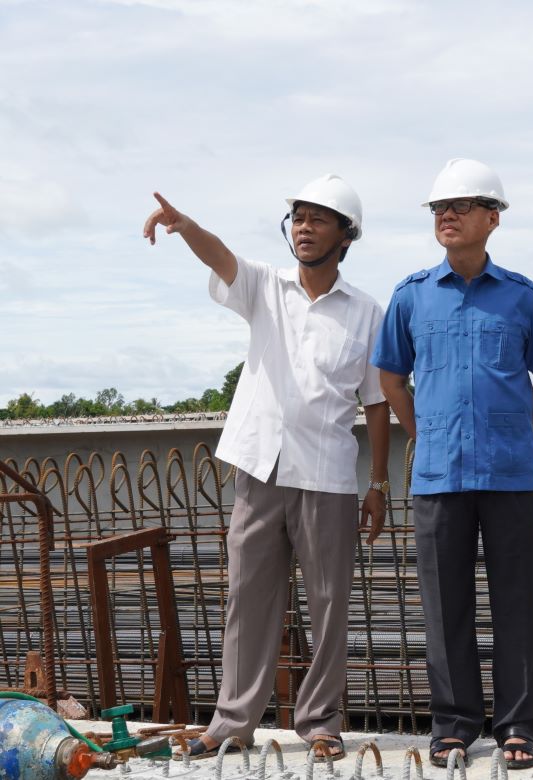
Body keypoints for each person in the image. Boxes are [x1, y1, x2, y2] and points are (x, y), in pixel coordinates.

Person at [143, 175, 391, 762]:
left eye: (318, 219)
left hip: (327, 475)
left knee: (330, 603)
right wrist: (185, 228)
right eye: (298, 218)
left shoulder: (367, 312)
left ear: (346, 235)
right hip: (258, 467)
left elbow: (377, 402)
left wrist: (377, 483)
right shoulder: (266, 287)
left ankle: (321, 723)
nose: (303, 228)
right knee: (247, 597)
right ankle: (232, 721)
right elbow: (222, 258)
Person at [370, 158, 533, 770]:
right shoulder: (410, 297)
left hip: (509, 474)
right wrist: (422, 433)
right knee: (443, 604)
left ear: (493, 217)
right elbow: (391, 377)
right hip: (437, 475)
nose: (446, 215)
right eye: (438, 208)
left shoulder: (523, 297)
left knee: (516, 603)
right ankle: (453, 726)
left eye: (459, 206)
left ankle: (518, 727)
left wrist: (507, 422)